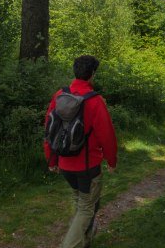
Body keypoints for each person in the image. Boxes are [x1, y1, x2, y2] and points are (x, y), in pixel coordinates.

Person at [44, 55, 118, 248]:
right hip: (88, 166)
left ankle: (84, 241)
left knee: (82, 201)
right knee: (86, 207)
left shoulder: (59, 96)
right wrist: (111, 161)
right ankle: (70, 245)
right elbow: (107, 135)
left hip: (65, 164)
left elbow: (49, 131)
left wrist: (51, 160)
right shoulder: (95, 101)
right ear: (92, 74)